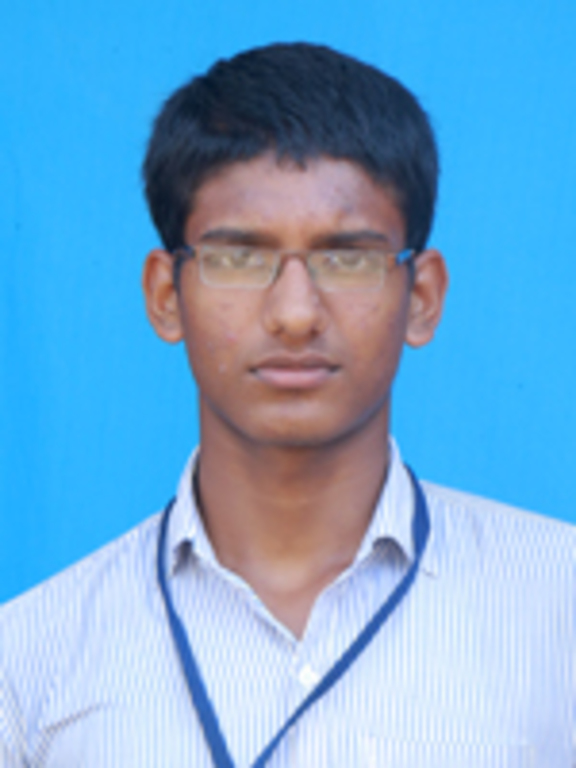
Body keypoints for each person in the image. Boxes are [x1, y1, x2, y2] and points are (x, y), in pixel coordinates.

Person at [0, 42, 574, 768]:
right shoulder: (29, 664)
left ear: (422, 298)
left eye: (348, 259)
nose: (296, 313)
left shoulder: (560, 611)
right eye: (239, 258)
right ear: (166, 295)